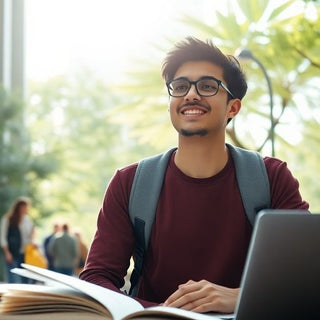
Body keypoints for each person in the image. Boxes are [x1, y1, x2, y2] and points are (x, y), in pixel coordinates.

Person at [80, 37, 309, 314]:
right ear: (170, 102)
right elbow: (96, 279)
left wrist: (240, 297)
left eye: (208, 86)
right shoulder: (129, 183)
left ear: (233, 107)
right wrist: (162, 311)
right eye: (180, 86)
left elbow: (305, 277)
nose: (191, 94)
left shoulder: (272, 178)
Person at [0, 196, 35, 283]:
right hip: (12, 252)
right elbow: (3, 237)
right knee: (13, 278)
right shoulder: (8, 219)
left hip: (24, 253)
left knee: (25, 279)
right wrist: (7, 252)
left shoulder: (27, 220)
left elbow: (28, 238)